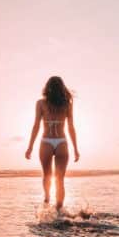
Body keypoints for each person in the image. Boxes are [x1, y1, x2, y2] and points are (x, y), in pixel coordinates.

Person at [25, 75, 79, 210]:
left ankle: (47, 198)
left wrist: (30, 147)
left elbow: (36, 125)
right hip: (61, 142)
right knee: (60, 180)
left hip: (46, 141)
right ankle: (59, 210)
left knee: (47, 175)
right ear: (62, 88)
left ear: (47, 88)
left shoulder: (40, 103)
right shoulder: (67, 104)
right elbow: (71, 127)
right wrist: (76, 148)